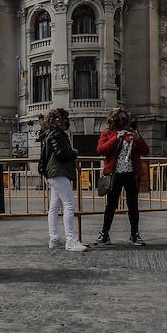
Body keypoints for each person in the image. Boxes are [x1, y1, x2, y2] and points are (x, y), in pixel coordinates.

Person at [95, 107, 150, 246]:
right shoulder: (108, 133)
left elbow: (145, 151)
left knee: (133, 206)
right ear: (112, 120)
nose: (122, 121)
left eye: (124, 119)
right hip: (114, 175)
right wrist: (116, 137)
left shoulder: (132, 133)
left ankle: (135, 235)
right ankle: (104, 234)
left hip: (131, 174)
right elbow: (101, 150)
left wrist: (138, 139)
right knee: (111, 206)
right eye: (119, 119)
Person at [38, 108, 86, 252]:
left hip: (54, 173)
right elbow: (60, 154)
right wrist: (73, 153)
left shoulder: (50, 133)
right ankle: (70, 240)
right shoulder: (56, 134)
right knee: (69, 205)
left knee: (54, 206)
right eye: (63, 118)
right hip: (59, 171)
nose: (66, 121)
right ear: (55, 120)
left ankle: (54, 238)